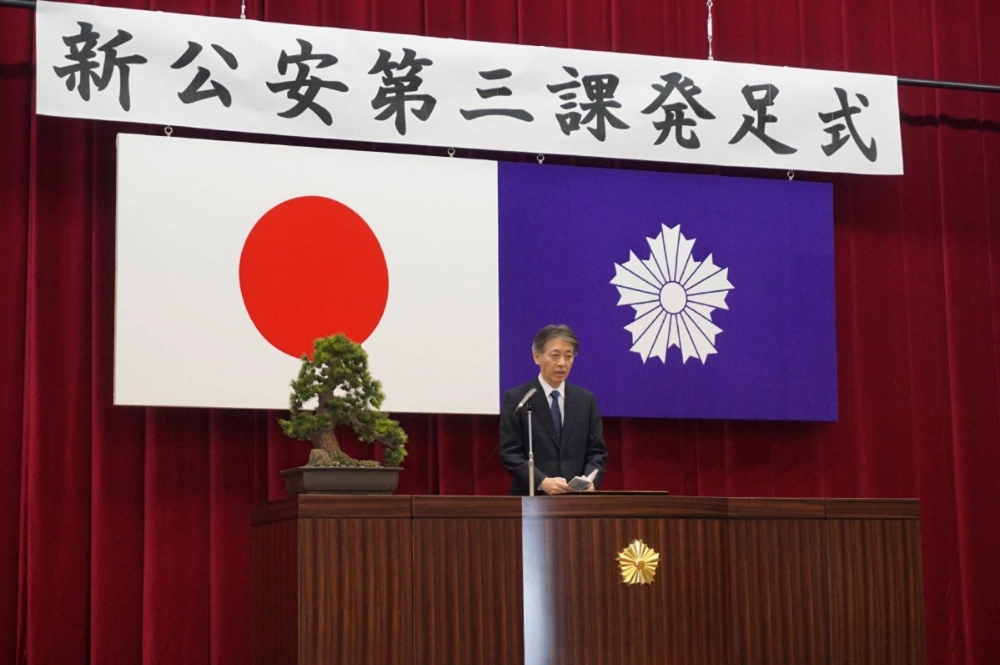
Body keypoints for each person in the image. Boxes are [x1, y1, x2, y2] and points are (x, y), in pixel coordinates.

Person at [499, 324, 608, 495]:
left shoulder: (586, 400)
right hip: (533, 498)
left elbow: (597, 452)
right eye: (555, 355)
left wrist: (589, 480)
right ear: (537, 357)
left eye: (568, 356)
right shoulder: (518, 398)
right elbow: (510, 453)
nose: (562, 363)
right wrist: (541, 481)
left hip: (576, 498)